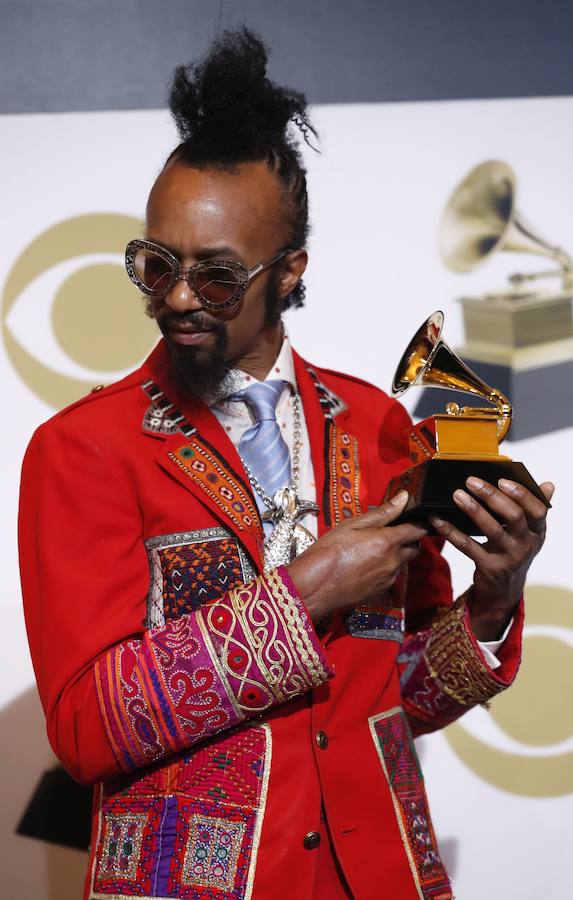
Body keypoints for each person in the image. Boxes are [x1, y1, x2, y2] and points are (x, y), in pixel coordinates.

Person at [19, 29, 553, 900]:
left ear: (290, 269)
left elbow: (398, 698)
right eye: (155, 266)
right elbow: (84, 730)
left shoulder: (380, 426)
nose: (178, 297)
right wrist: (304, 591)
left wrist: (492, 602)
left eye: (217, 276)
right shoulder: (83, 448)